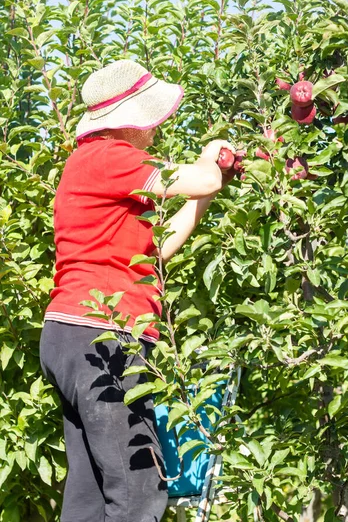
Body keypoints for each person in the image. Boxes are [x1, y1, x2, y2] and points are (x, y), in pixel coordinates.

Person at [39, 59, 236, 522]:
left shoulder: (91, 166)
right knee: (137, 492)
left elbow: (158, 250)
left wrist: (211, 187)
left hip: (71, 337)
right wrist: (212, 157)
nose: (156, 129)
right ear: (131, 119)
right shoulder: (111, 156)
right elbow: (201, 174)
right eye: (152, 119)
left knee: (89, 496)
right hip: (103, 337)